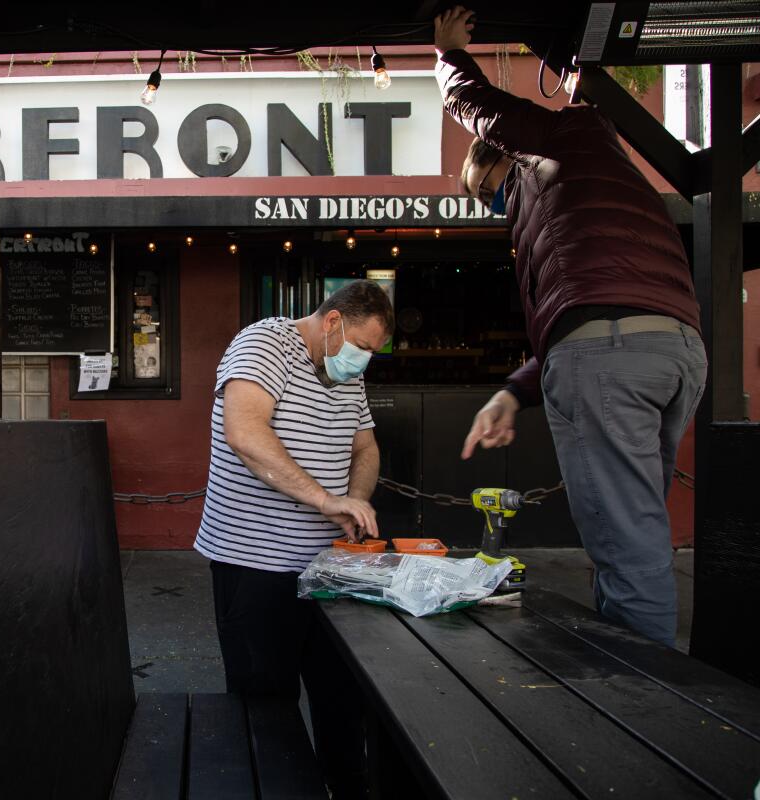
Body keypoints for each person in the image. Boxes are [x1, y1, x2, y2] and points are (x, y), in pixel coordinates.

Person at [434, 6, 706, 647]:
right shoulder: (597, 175)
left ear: (509, 158)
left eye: (490, 190)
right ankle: (635, 653)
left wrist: (447, 58)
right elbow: (582, 323)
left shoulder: (556, 144)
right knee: (633, 525)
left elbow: (484, 109)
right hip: (673, 350)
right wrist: (514, 390)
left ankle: (644, 699)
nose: (496, 207)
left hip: (613, 356)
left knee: (626, 537)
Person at [194, 279, 393, 797]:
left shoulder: (343, 373)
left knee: (343, 704)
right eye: (363, 348)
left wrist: (355, 499)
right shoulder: (263, 344)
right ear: (332, 324)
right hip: (255, 567)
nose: (365, 362)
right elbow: (245, 433)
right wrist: (325, 500)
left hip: (328, 572)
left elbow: (365, 448)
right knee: (264, 713)